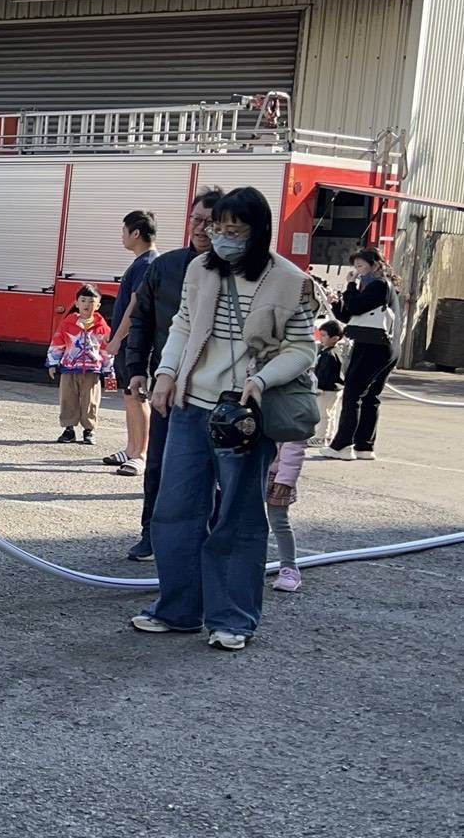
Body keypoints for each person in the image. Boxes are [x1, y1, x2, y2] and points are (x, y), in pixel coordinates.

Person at [138, 186, 318, 651]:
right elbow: (182, 325)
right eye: (216, 229)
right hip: (189, 406)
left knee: (237, 517)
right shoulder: (200, 269)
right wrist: (165, 372)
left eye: (232, 231)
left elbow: (303, 347)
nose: (220, 238)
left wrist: (262, 381)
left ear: (257, 232)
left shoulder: (290, 279)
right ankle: (177, 610)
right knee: (174, 510)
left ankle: (233, 618)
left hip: (243, 415)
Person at [121, 188, 220, 561]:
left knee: (214, 469)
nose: (201, 228)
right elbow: (142, 318)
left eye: (210, 222)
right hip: (167, 384)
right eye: (196, 219)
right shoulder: (166, 267)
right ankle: (151, 533)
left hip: (215, 389)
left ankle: (210, 538)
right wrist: (136, 369)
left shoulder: (235, 274)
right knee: (160, 463)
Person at [321, 247, 401, 461]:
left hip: (372, 346)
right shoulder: (379, 287)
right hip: (386, 348)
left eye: (360, 266)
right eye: (355, 267)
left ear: (375, 265)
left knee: (353, 393)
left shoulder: (379, 285)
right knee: (370, 396)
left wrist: (349, 285)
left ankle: (342, 445)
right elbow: (350, 315)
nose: (357, 271)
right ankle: (364, 446)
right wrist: (337, 303)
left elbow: (355, 307)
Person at [103, 210, 158, 475]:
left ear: (136, 232)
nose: (122, 237)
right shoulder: (140, 262)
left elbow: (135, 306)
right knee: (128, 396)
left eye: (124, 231)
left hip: (137, 342)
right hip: (128, 342)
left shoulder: (148, 264)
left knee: (138, 396)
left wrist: (116, 340)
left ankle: (141, 454)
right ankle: (131, 447)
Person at [47, 284, 112, 446]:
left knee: (90, 400)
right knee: (68, 399)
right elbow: (57, 344)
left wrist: (109, 371)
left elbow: (106, 350)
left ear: (98, 306)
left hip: (92, 371)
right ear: (76, 303)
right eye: (83, 301)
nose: (87, 305)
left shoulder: (102, 328)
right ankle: (69, 429)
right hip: (69, 369)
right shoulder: (67, 324)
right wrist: (53, 363)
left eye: (91, 302)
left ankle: (89, 430)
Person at [267, 440, 306, 593]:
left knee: (279, 521)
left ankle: (289, 567)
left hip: (277, 475)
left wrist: (285, 479)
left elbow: (295, 442)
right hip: (251, 470)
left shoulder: (288, 417)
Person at [309, 319, 350, 447]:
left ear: (335, 338)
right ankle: (328, 436)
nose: (321, 338)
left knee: (323, 414)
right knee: (330, 414)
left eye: (324, 335)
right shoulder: (331, 352)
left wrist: (318, 388)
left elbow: (325, 374)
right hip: (335, 389)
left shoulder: (330, 354)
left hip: (327, 389)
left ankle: (321, 437)